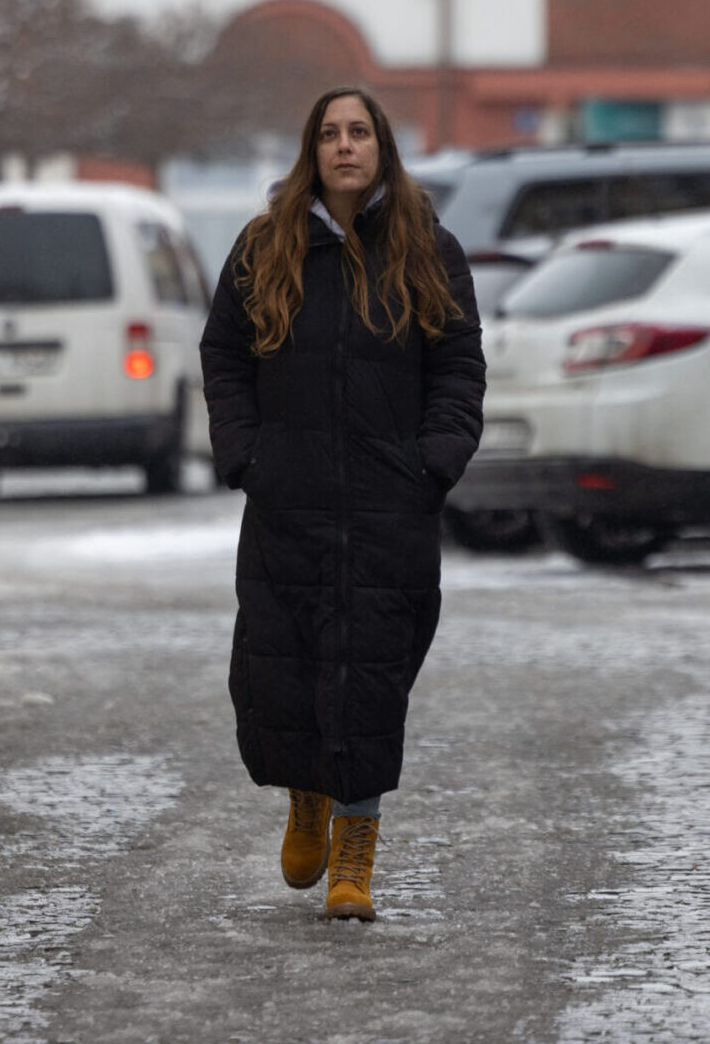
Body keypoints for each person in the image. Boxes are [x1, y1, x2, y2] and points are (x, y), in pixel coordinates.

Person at [198, 87, 485, 922]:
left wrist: (434, 464)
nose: (345, 146)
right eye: (330, 133)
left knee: (373, 674)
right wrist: (246, 453)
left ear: (383, 146)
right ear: (311, 149)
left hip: (391, 504)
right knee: (281, 665)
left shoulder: (429, 248)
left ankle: (358, 848)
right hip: (289, 499)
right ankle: (306, 798)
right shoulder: (265, 246)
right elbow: (224, 354)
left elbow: (459, 367)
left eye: (360, 132)